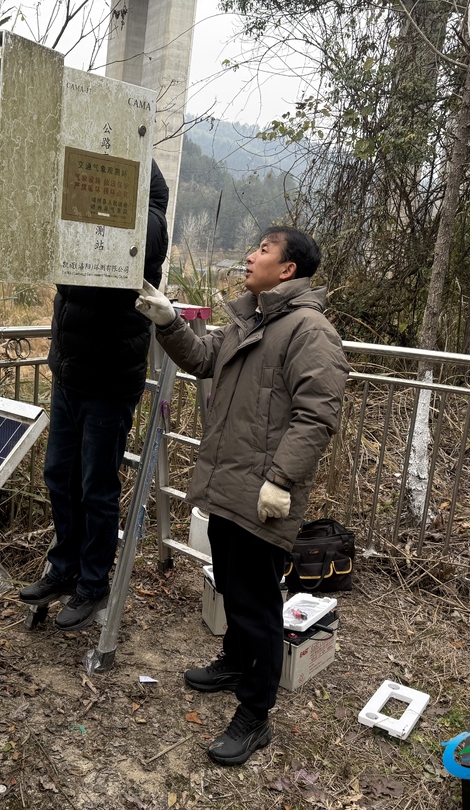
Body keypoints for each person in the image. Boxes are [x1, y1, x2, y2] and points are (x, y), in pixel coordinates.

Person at [134, 226, 349, 766]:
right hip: (229, 484)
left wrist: (281, 479)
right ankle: (234, 662)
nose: (250, 255)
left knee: (256, 606)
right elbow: (205, 358)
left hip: (263, 494)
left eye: (263, 250)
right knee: (230, 582)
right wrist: (169, 322)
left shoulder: (309, 331)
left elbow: (317, 414)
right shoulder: (252, 319)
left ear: (288, 270)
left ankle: (255, 714)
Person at [18, 161, 170, 630]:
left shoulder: (150, 217)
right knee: (58, 477)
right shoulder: (78, 213)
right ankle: (62, 569)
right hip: (69, 375)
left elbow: (130, 240)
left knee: (96, 487)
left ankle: (92, 583)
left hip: (108, 382)